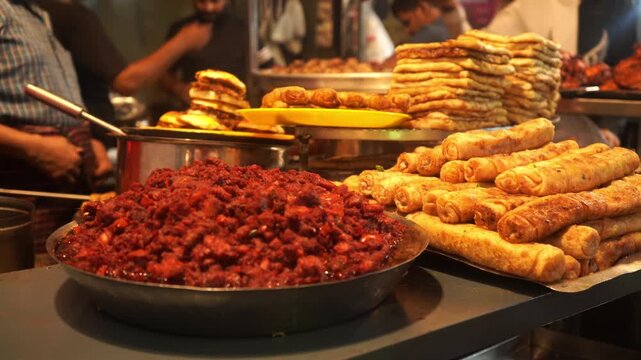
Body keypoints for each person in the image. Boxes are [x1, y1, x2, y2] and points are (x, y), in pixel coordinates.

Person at [0, 0, 110, 257]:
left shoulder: (37, 14)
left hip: (62, 192)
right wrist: (34, 148)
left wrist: (90, 141)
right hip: (25, 192)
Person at [34, 0, 214, 146]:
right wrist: (184, 42)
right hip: (85, 138)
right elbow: (127, 82)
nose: (207, 6)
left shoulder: (39, 13)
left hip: (78, 139)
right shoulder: (71, 15)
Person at [485, 0, 641, 147]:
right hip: (537, 124)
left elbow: (622, 78)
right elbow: (488, 46)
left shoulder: (619, 7)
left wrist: (610, 127)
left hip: (597, 125)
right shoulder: (530, 7)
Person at [161, 0, 248, 106]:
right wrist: (181, 89)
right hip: (193, 110)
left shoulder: (244, 29)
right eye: (201, 1)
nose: (208, 8)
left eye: (215, 1)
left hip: (235, 108)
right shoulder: (181, 30)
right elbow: (164, 74)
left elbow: (267, 67)